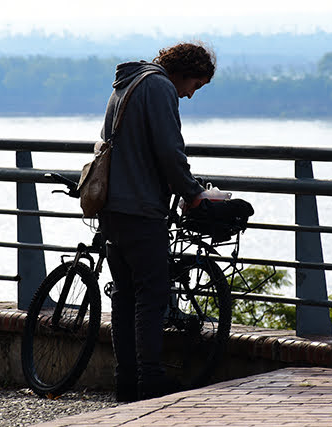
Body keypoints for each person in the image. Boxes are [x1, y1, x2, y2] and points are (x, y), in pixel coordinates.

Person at [97, 42, 216, 402]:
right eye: (195, 84)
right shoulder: (160, 87)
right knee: (152, 294)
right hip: (140, 207)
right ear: (184, 72)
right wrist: (192, 192)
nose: (191, 95)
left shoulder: (127, 84)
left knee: (124, 295)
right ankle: (150, 379)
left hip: (112, 207)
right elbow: (169, 149)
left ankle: (126, 381)